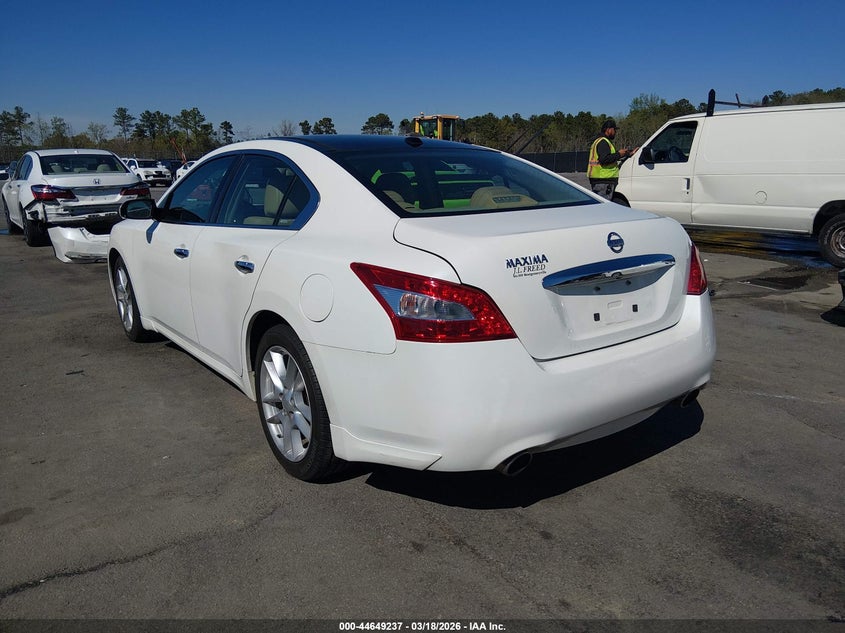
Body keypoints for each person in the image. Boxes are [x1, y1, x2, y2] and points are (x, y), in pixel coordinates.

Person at [587, 119, 638, 200]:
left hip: (601, 180)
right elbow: (604, 159)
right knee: (604, 209)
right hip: (603, 181)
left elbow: (609, 156)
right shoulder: (603, 142)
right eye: (614, 129)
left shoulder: (601, 141)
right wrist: (619, 154)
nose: (615, 132)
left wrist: (628, 153)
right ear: (608, 130)